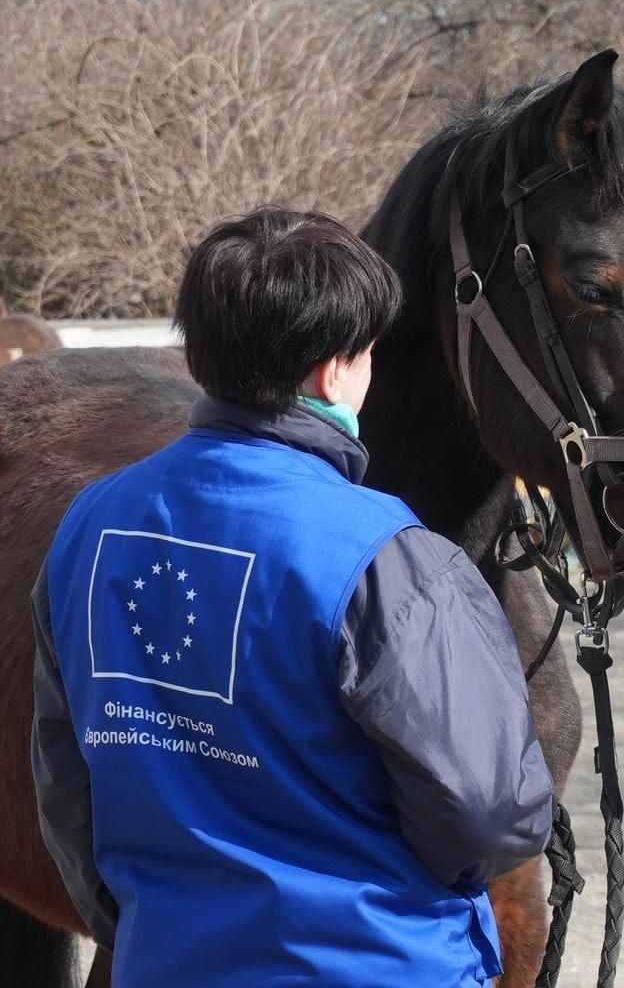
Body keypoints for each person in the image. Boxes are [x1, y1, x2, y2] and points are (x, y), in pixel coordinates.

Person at [30, 207, 554, 986]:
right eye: (367, 353)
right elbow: (491, 815)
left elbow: (67, 784)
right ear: (333, 371)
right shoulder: (391, 559)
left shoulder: (89, 524)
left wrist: (156, 922)